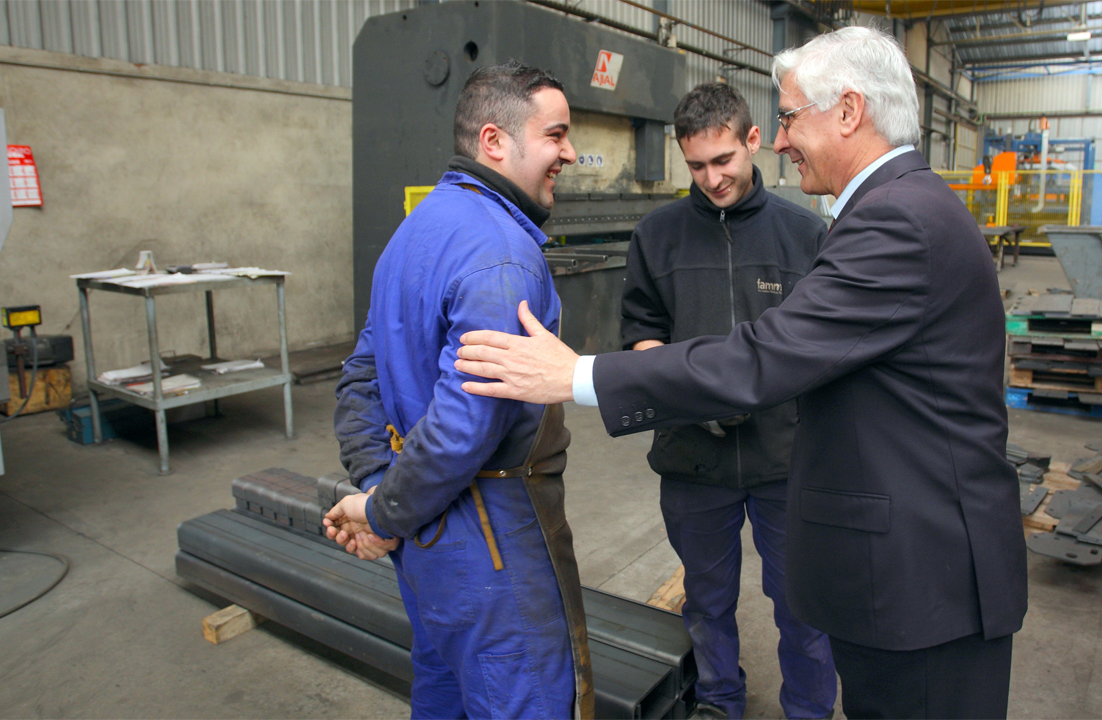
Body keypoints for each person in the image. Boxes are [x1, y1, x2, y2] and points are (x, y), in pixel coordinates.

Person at [454, 28, 1028, 720]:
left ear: (848, 111)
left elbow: (765, 355)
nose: (780, 141)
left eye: (788, 118)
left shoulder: (894, 222)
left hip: (924, 585)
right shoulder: (900, 208)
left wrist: (579, 375)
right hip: (904, 567)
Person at [323, 60, 594, 719]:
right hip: (493, 547)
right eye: (556, 135)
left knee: (443, 692)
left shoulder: (415, 230)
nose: (570, 153)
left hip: (427, 544)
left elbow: (360, 379)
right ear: (495, 141)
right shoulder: (501, 254)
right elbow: (462, 428)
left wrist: (383, 496)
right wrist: (383, 512)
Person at [620, 82, 834, 720]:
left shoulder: (805, 234)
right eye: (696, 166)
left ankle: (810, 710)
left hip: (786, 459)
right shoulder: (657, 236)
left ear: (753, 140)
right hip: (693, 459)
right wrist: (691, 394)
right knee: (707, 602)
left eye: (723, 160)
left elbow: (825, 347)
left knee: (803, 604)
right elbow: (641, 336)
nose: (712, 179)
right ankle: (719, 702)